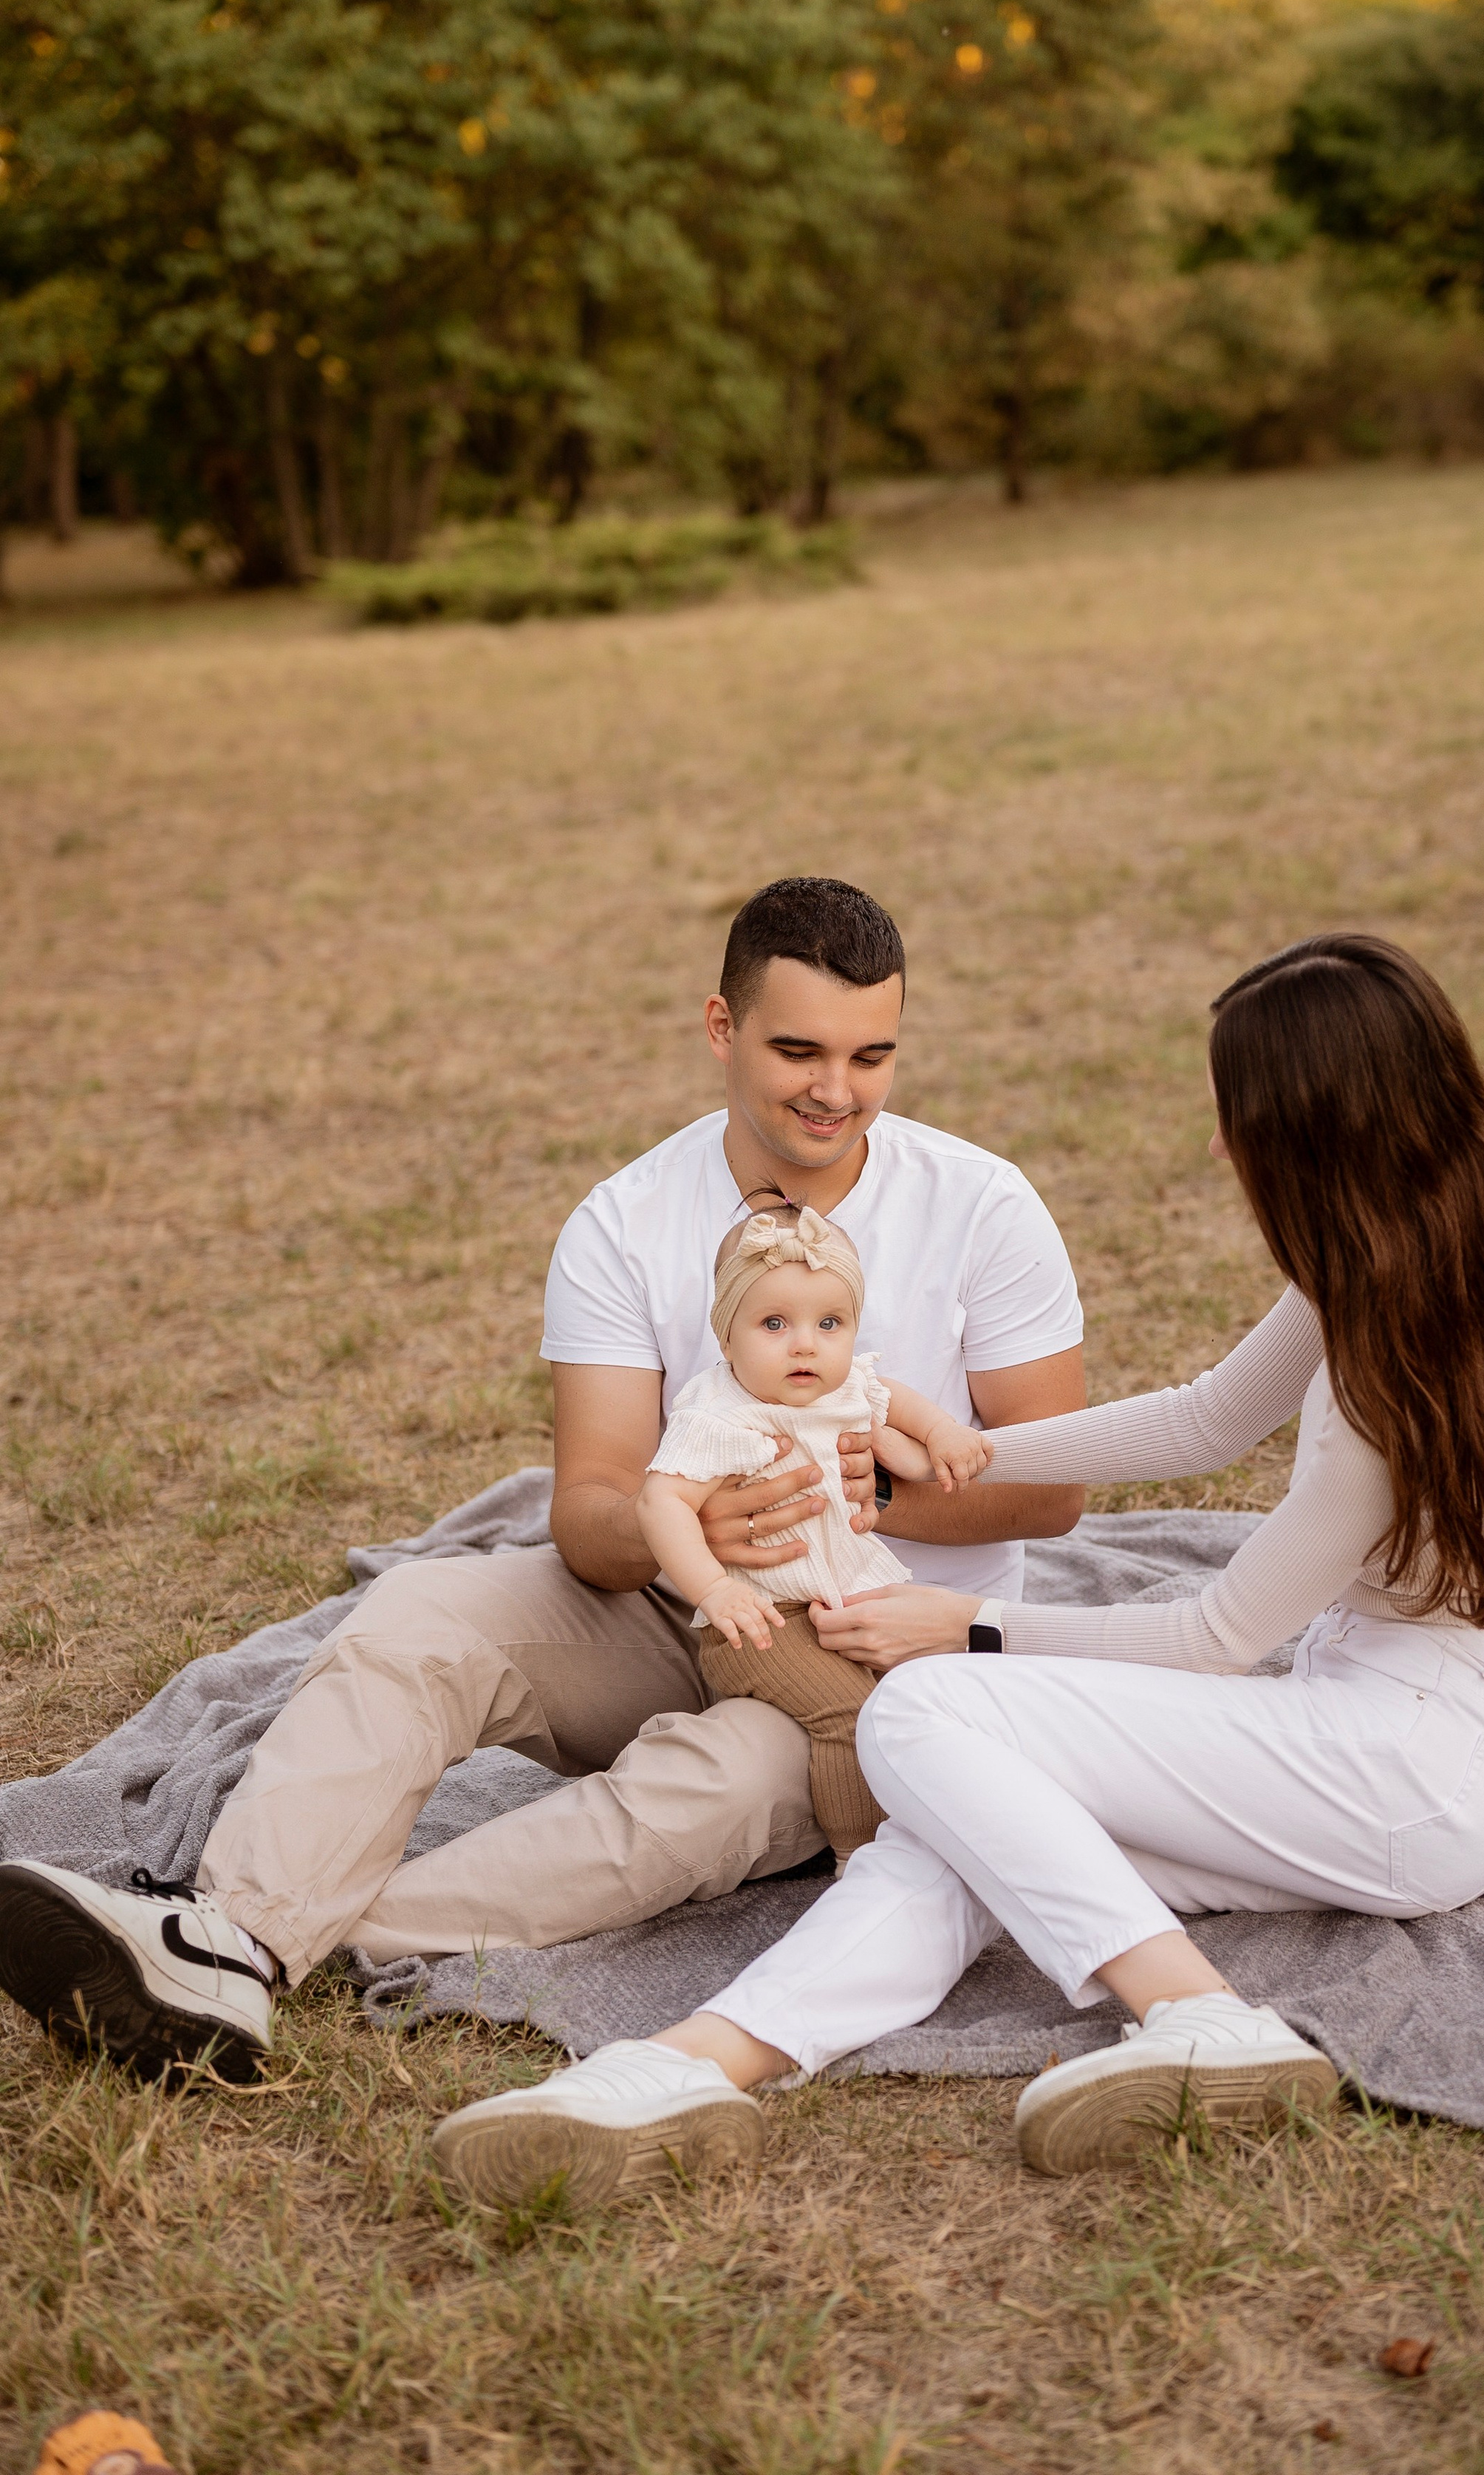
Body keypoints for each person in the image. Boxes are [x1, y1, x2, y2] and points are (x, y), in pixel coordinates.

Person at [430, 932, 1484, 2202]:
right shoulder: (1395, 1266)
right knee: (965, 1822)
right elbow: (1201, 1417)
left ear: (1313, 1132)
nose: (1222, 1148)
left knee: (925, 1710)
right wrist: (939, 1449)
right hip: (1371, 1748)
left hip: (1404, 1768)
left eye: (1240, 1117)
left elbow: (1217, 1636)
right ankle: (684, 2068)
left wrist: (965, 1625)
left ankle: (1198, 2013)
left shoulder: (1399, 1361)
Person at [0, 879, 1084, 2081]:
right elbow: (590, 1512)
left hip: (878, 1668)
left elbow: (1054, 1490)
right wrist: (702, 1524)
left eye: (871, 1053)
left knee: (724, 1783)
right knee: (418, 1612)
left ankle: (275, 1942)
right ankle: (229, 1931)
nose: (838, 1088)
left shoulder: (982, 1204)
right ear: (721, 1028)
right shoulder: (626, 1220)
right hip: (682, 1601)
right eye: (799, 1049)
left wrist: (868, 1494)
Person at [642, 1201, 990, 1862]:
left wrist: (945, 1435)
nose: (805, 1344)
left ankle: (953, 1826)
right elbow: (661, 1502)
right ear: (726, 1337)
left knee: (930, 1692)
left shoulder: (846, 1386)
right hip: (761, 1619)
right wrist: (715, 1590)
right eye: (774, 1323)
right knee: (852, 1717)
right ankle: (862, 1859)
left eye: (829, 1323)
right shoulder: (721, 1416)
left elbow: (897, 1407)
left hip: (850, 1596)